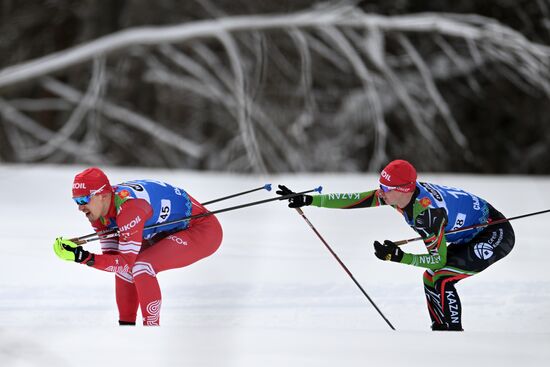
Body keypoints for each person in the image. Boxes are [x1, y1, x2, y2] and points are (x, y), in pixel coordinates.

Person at [277, 159, 515, 331]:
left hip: (495, 232)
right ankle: (442, 333)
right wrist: (308, 199)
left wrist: (400, 257)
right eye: (380, 185)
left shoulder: (428, 214)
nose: (381, 192)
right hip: (466, 231)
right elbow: (354, 200)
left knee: (439, 275)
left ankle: (449, 338)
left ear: (404, 190)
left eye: (386, 189)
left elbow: (438, 259)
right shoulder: (399, 196)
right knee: (431, 277)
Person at [53, 167, 223, 326]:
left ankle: (150, 332)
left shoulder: (129, 209)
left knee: (142, 266)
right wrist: (81, 256)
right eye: (76, 201)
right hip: (166, 230)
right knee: (126, 268)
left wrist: (81, 257)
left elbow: (124, 261)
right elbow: (115, 260)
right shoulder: (99, 213)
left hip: (201, 230)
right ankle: (127, 329)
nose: (80, 207)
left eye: (83, 199)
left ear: (102, 195)